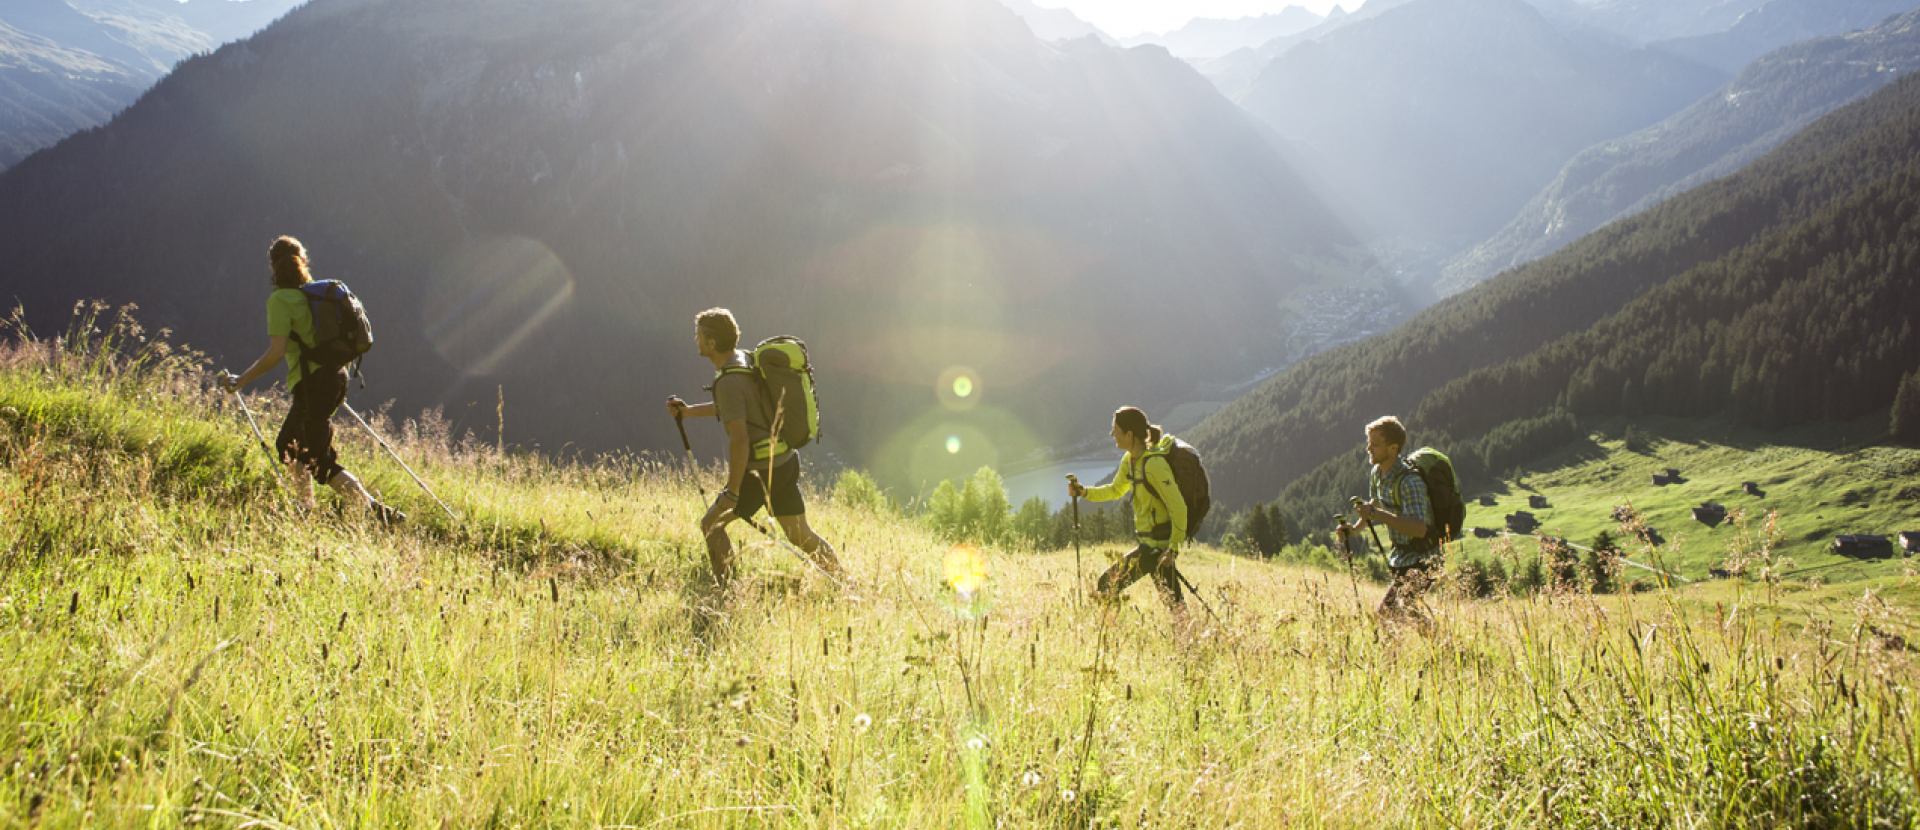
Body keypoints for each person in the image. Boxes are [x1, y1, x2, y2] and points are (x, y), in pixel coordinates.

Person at [218, 236, 402, 523]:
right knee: (295, 449)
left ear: (272, 267)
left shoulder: (280, 300)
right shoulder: (312, 296)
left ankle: (379, 515)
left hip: (314, 385)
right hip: (334, 377)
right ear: (303, 262)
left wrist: (240, 381)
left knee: (315, 459)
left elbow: (276, 352)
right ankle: (304, 512)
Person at [666, 308, 840, 587]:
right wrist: (687, 413)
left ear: (712, 343)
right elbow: (737, 409)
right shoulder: (744, 360)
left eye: (698, 336)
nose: (695, 340)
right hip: (784, 461)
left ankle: (729, 595)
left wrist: (732, 493)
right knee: (799, 534)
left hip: (761, 470)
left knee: (711, 525)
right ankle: (845, 583)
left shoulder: (728, 381)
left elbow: (740, 439)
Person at [1067, 406, 1187, 613]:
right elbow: (1115, 490)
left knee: (1108, 584)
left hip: (1158, 550)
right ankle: (1192, 640)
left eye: (1116, 430)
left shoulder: (1154, 465)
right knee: (1176, 609)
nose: (1111, 434)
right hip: (1148, 546)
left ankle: (1112, 634)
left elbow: (1179, 507)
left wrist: (1173, 549)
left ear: (1129, 434)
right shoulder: (1130, 461)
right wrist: (1084, 492)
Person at [1337, 416, 1433, 620]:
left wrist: (1377, 515)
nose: (1368, 449)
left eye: (1375, 445)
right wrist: (1354, 530)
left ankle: (1443, 648)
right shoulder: (1378, 474)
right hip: (1403, 557)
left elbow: (1419, 528)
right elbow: (1375, 504)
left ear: (1393, 448)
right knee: (1407, 614)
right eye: (1368, 443)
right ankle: (1445, 648)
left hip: (1422, 558)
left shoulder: (1410, 481)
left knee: (1388, 616)